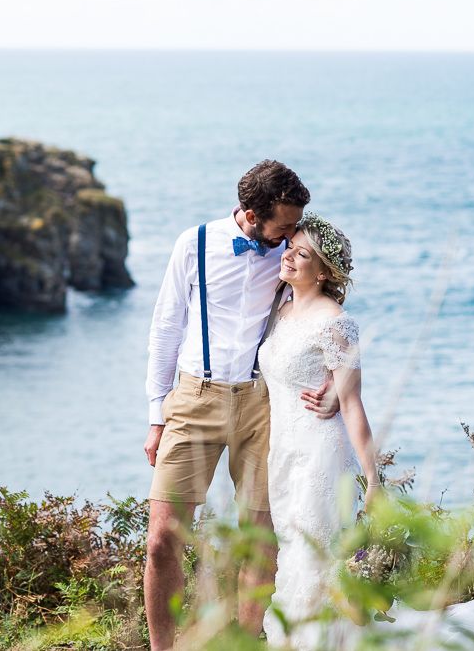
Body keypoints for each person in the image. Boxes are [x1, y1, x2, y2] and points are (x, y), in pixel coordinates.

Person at [143, 160, 337, 651]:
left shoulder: (291, 253)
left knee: (260, 536)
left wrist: (336, 382)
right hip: (193, 399)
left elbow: (327, 309)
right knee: (163, 538)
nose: (295, 234)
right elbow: (166, 327)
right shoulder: (194, 244)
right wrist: (155, 413)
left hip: (263, 404)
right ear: (252, 214)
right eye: (286, 224)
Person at [258, 212, 380, 649]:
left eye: (302, 253)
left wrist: (373, 479)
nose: (288, 256)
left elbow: (351, 401)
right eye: (289, 247)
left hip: (321, 454)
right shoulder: (280, 307)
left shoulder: (337, 322)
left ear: (324, 271)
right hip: (283, 452)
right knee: (292, 553)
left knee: (314, 557)